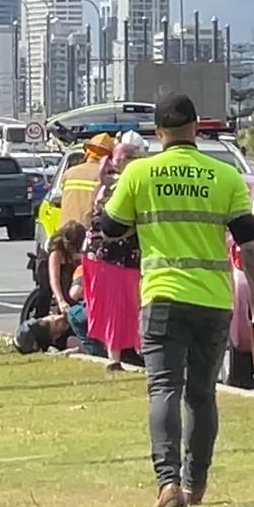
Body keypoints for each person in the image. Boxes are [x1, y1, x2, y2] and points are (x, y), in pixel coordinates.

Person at [102, 93, 254, 507]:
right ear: (196, 128)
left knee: (163, 388)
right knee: (201, 394)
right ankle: (196, 485)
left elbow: (109, 229)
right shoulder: (226, 176)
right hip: (213, 301)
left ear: (158, 133)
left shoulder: (139, 173)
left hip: (161, 297)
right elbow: (249, 246)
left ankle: (167, 483)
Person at [85, 136, 146, 371]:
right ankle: (116, 356)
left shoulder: (107, 183)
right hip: (114, 257)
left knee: (125, 306)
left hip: (111, 256)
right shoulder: (121, 185)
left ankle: (122, 352)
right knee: (119, 306)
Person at [57, 133, 115, 229]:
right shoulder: (107, 177)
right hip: (90, 233)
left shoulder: (69, 173)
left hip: (65, 231)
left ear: (87, 152)